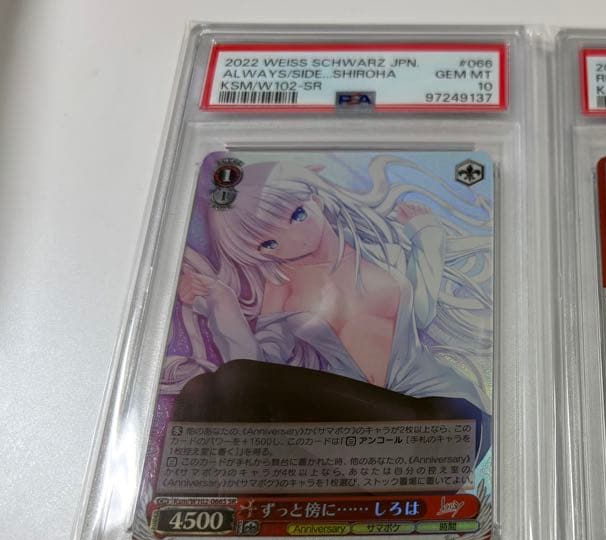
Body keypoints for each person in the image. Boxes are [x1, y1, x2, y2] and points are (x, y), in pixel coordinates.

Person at [163, 155, 493, 441]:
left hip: (445, 409)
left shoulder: (384, 254)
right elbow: (256, 372)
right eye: (268, 244)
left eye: (297, 215)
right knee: (215, 390)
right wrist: (223, 305)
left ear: (316, 199)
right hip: (362, 423)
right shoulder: (280, 285)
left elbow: (421, 312)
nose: (296, 240)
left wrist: (427, 238)